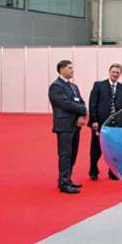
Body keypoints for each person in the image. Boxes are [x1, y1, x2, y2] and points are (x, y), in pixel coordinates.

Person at [48, 60, 87, 194]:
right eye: (69, 68)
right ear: (61, 69)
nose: (72, 70)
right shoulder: (56, 87)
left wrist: (81, 115)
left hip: (75, 125)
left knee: (73, 154)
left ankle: (67, 179)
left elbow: (81, 101)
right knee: (65, 155)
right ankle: (64, 183)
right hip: (64, 126)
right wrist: (83, 110)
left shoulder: (73, 86)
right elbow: (65, 104)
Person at [88, 63, 122, 180]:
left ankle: (112, 171)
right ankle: (93, 170)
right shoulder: (98, 85)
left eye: (117, 72)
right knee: (96, 148)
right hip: (100, 122)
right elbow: (92, 103)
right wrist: (94, 120)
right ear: (109, 72)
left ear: (120, 74)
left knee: (113, 149)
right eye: (113, 72)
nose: (115, 74)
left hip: (115, 124)